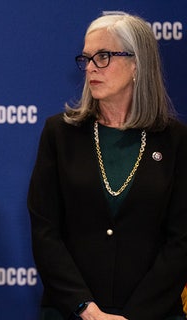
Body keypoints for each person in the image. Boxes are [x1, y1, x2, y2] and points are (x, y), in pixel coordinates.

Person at [28, 12, 187, 320]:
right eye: (86, 58)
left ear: (136, 64)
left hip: (153, 313)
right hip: (72, 312)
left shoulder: (176, 141)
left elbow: (181, 241)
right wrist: (87, 309)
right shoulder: (59, 134)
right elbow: (44, 231)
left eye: (103, 57)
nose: (90, 68)